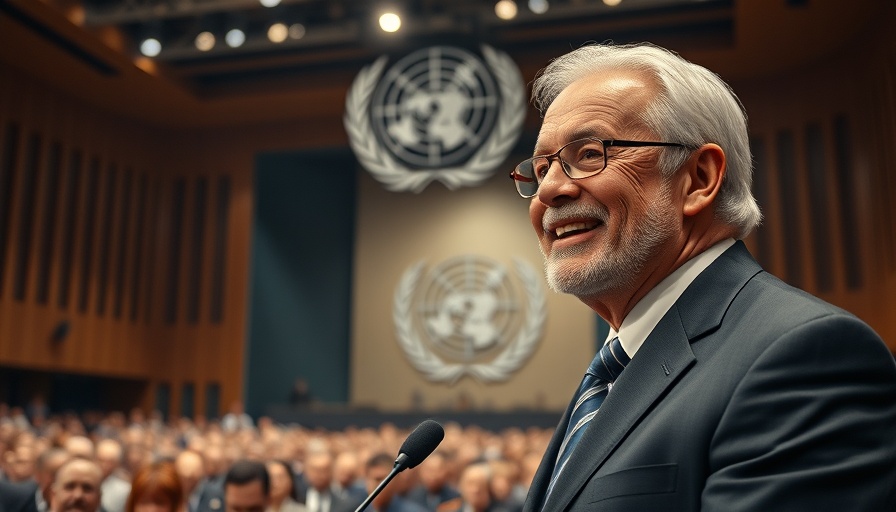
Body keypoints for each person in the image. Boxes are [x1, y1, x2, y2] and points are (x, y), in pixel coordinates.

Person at [509, 42, 896, 511]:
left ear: (698, 177)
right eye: (542, 167)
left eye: (589, 153)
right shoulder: (616, 369)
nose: (549, 189)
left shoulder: (805, 358)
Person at [358, 454, 426, 512]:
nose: (378, 485)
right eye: (375, 479)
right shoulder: (358, 508)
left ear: (396, 480)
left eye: (382, 479)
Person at [96, 439, 131, 512]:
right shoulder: (86, 483)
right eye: (101, 460)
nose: (105, 465)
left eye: (110, 462)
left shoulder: (124, 490)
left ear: (117, 463)